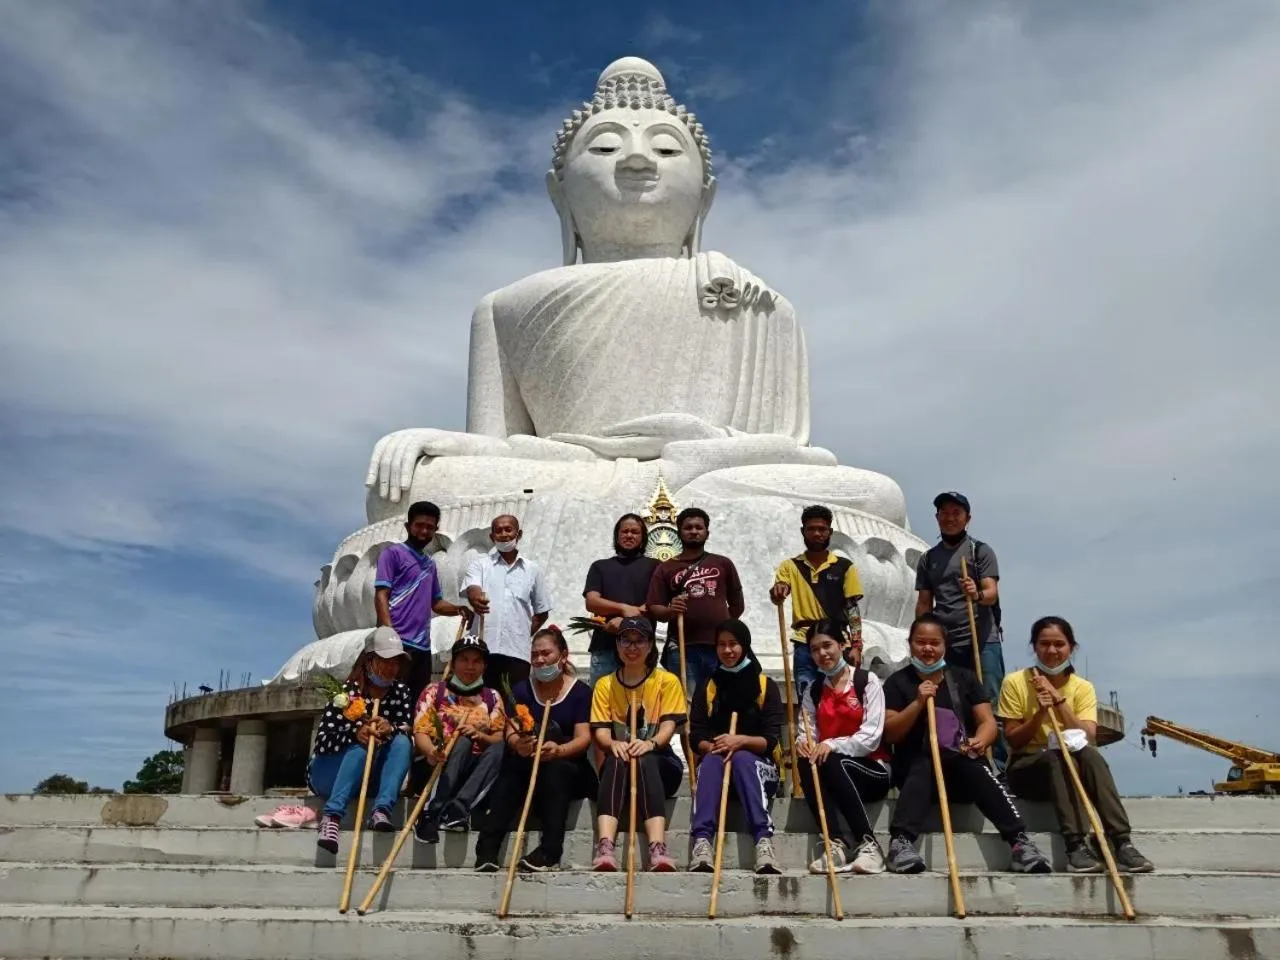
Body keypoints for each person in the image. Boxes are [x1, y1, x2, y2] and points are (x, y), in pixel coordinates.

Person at [882, 613, 1051, 874]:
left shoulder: (964, 677)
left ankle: (1019, 842)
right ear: (910, 643)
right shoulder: (898, 682)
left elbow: (987, 722)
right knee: (925, 760)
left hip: (960, 767)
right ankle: (901, 841)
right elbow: (890, 732)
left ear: (944, 645)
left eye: (934, 643)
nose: (927, 648)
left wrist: (980, 740)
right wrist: (917, 702)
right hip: (918, 772)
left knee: (974, 765)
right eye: (920, 642)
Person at [998, 616, 1153, 873]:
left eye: (1059, 644)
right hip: (1029, 768)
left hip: (1073, 766)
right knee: (1055, 758)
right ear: (1034, 647)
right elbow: (1013, 738)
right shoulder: (1015, 682)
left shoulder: (1082, 688)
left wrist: (1059, 702)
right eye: (1044, 644)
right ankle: (1074, 845)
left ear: (1071, 648)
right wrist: (1039, 714)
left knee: (1090, 755)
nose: (1051, 651)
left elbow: (1088, 735)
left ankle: (1121, 841)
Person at [474, 626, 598, 872]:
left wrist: (559, 750)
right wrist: (516, 744)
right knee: (511, 769)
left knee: (556, 770)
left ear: (563, 655)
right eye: (535, 654)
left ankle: (550, 850)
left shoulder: (581, 693)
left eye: (546, 653)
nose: (540, 660)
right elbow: (511, 730)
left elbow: (583, 738)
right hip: (528, 761)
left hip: (568, 766)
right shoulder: (521, 690)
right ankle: (487, 849)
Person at [793, 620, 892, 874]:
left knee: (835, 759)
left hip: (872, 770)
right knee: (806, 759)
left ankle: (868, 843)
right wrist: (804, 743)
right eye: (815, 649)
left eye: (827, 646)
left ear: (842, 644)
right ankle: (835, 841)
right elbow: (807, 730)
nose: (822, 654)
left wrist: (830, 744)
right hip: (832, 773)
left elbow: (871, 736)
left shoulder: (866, 681)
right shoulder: (814, 691)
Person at [915, 491, 1007, 765]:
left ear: (968, 518)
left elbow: (991, 592)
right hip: (948, 642)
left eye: (956, 512)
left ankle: (998, 764)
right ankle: (963, 757)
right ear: (937, 518)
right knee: (954, 701)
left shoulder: (979, 551)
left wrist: (976, 592)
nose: (950, 518)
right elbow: (924, 603)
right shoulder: (928, 559)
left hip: (981, 637)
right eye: (944, 513)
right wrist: (920, 635)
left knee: (990, 697)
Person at [687, 619, 784, 875]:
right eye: (721, 645)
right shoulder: (709, 686)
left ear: (745, 645)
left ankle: (763, 840)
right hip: (717, 765)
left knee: (741, 758)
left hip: (760, 768)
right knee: (709, 760)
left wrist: (740, 741)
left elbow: (770, 740)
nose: (728, 650)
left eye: (734, 644)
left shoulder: (765, 686)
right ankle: (702, 841)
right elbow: (696, 736)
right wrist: (716, 746)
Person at [589, 617, 686, 872]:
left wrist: (650, 743)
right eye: (626, 641)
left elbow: (668, 727)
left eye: (639, 641)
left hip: (661, 763)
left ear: (651, 644)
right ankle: (606, 845)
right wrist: (612, 744)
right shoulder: (605, 685)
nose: (632, 648)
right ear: (617, 645)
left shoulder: (667, 681)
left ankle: (657, 847)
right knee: (616, 758)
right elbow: (600, 731)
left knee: (644, 758)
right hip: (621, 767)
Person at [309, 627, 416, 854]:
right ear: (368, 661)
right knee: (362, 743)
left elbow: (406, 727)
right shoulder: (346, 694)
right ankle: (332, 818)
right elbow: (322, 743)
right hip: (331, 773)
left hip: (372, 778)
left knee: (402, 741)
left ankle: (382, 810)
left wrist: (391, 728)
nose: (391, 668)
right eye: (384, 660)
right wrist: (355, 734)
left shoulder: (401, 692)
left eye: (396, 662)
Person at [374, 501, 473, 705]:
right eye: (419, 525)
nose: (424, 531)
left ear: (436, 531)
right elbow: (381, 594)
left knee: (417, 702)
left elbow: (435, 603)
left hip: (421, 645)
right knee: (389, 700)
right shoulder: (393, 554)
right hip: (397, 641)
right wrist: (388, 633)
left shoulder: (430, 564)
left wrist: (458, 609)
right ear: (408, 526)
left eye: (430, 527)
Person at [411, 635, 507, 844]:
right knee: (462, 740)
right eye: (464, 660)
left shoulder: (492, 697)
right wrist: (432, 752)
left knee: (499, 747)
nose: (470, 667)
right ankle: (430, 812)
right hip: (440, 763)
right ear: (453, 663)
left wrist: (481, 736)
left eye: (476, 661)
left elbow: (499, 735)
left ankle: (457, 809)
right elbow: (421, 733)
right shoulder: (435, 691)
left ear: (484, 666)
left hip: (475, 768)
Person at [646, 507, 745, 697]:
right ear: (679, 532)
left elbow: (737, 604)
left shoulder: (722, 563)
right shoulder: (666, 568)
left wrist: (723, 627)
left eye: (699, 527)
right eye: (688, 527)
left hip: (719, 648)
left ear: (707, 532)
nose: (693, 531)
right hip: (683, 648)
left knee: (719, 699)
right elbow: (654, 607)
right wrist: (670, 610)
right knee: (687, 701)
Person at [769, 504, 865, 695]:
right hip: (805, 640)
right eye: (811, 529)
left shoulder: (844, 567)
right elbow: (780, 589)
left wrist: (856, 646)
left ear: (830, 532)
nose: (817, 534)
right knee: (807, 695)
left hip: (836, 640)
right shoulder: (790, 566)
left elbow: (852, 608)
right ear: (802, 531)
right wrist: (778, 591)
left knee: (841, 695)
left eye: (822, 529)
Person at [463, 514, 552, 693]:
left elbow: (542, 611)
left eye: (508, 529)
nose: (504, 534)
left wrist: (523, 632)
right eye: (498, 530)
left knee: (513, 708)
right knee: (479, 706)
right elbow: (473, 589)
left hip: (517, 652)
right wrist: (476, 599)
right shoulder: (479, 565)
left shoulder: (532, 570)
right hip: (482, 651)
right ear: (492, 537)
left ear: (519, 534)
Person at [583, 514, 660, 684]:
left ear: (643, 537)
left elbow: (658, 601)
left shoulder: (655, 566)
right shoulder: (600, 566)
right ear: (617, 536)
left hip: (641, 649)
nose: (629, 535)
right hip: (605, 648)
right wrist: (623, 608)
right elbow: (592, 602)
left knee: (641, 707)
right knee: (602, 706)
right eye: (625, 531)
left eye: (635, 532)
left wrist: (625, 621)